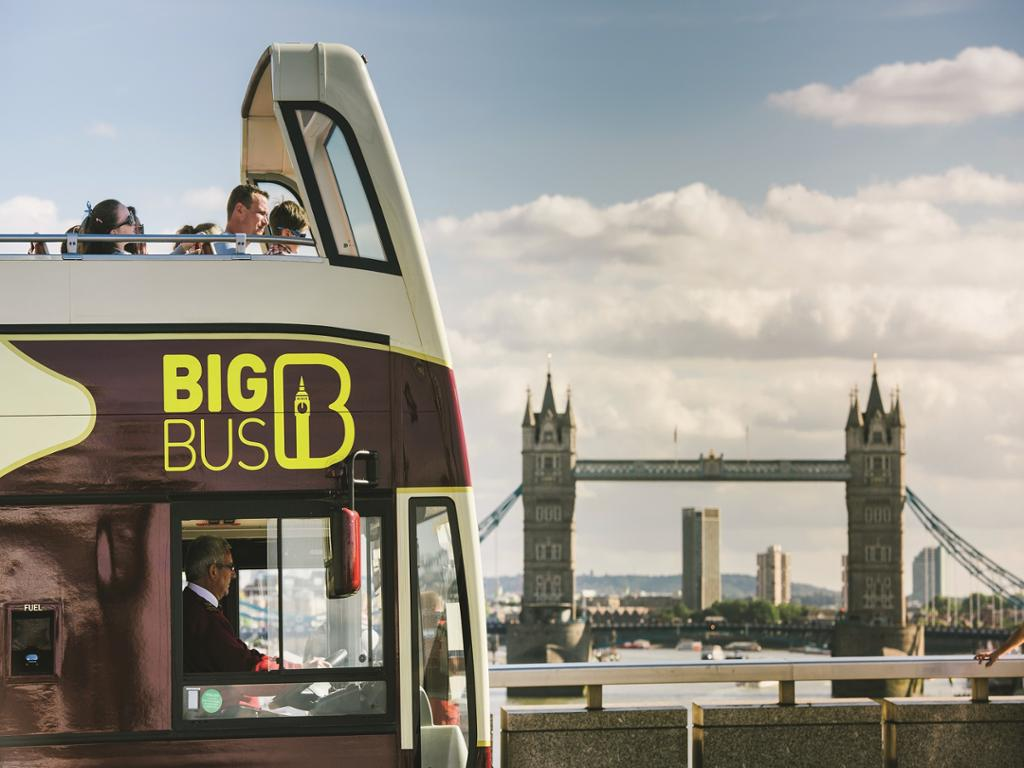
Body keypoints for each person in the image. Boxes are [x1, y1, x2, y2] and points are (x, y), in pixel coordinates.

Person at [182, 535, 273, 673]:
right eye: (230, 567)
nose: (233, 574)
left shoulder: (188, 604)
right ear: (213, 571)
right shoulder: (205, 617)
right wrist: (275, 665)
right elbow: (239, 663)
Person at [214, 184, 269, 255]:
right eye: (261, 213)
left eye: (267, 215)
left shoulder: (220, 247)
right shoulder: (230, 253)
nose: (266, 222)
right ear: (240, 210)